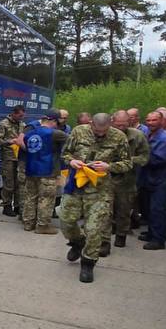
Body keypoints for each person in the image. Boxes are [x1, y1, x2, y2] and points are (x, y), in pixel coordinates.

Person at [60, 112, 130, 283]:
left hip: (101, 190)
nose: (100, 135)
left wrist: (109, 166)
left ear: (110, 125)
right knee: (66, 221)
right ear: (91, 124)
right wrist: (71, 161)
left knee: (94, 229)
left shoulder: (119, 137)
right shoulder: (78, 131)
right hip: (76, 186)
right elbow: (65, 153)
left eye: (104, 132)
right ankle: (77, 242)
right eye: (97, 131)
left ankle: (88, 263)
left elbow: (127, 163)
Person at [106, 111, 149, 252]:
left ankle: (121, 235)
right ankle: (104, 240)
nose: (121, 128)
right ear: (112, 122)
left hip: (127, 180)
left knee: (123, 211)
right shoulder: (105, 134)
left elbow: (145, 157)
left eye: (124, 125)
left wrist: (128, 161)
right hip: (106, 179)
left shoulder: (138, 136)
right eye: (118, 125)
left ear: (129, 123)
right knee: (104, 211)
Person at [19, 114, 67, 233]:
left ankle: (28, 223)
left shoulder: (29, 134)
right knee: (46, 199)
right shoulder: (55, 134)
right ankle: (42, 225)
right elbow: (72, 140)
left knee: (30, 197)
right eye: (57, 123)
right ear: (53, 121)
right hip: (48, 171)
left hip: (31, 170)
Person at [138, 110, 166, 251]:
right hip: (151, 179)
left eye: (154, 120)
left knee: (157, 209)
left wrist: (138, 159)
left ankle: (158, 240)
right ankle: (153, 232)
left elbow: (158, 159)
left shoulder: (165, 138)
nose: (151, 123)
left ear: (161, 121)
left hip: (162, 180)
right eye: (148, 120)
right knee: (150, 208)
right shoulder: (149, 134)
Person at [0, 105, 27, 217]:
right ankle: (6, 206)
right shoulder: (4, 124)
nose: (21, 118)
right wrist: (10, 141)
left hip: (20, 157)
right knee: (9, 183)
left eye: (23, 116)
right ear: (14, 113)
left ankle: (17, 206)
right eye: (20, 116)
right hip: (8, 158)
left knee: (19, 183)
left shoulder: (23, 125)